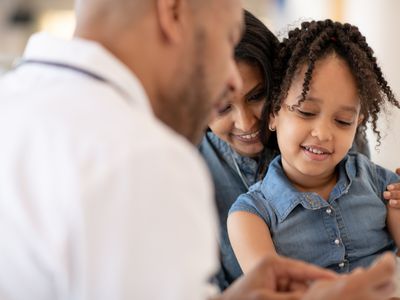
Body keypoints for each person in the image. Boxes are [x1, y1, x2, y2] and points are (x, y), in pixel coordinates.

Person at [0, 0, 396, 298]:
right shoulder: (142, 156)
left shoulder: (15, 104)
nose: (226, 76)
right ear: (173, 12)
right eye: (224, 39)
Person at [200, 10, 400, 291]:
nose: (246, 123)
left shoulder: (371, 176)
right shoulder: (239, 207)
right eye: (222, 107)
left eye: (258, 95)